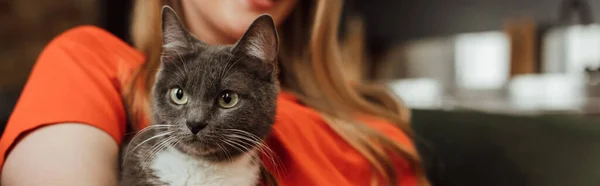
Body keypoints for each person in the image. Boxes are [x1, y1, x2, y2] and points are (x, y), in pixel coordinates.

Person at [0, 0, 428, 185]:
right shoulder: (94, 61)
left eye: (226, 98)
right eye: (183, 97)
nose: (198, 116)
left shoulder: (377, 128)